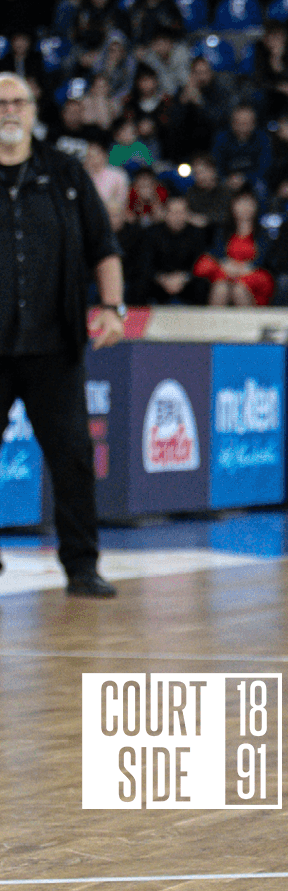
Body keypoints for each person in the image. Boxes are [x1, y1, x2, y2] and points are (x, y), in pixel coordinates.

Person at [0, 71, 123, 596]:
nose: (9, 111)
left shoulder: (66, 173)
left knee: (73, 458)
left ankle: (82, 566)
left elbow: (104, 247)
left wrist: (112, 308)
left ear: (33, 112)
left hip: (55, 345)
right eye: (0, 103)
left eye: (18, 102)